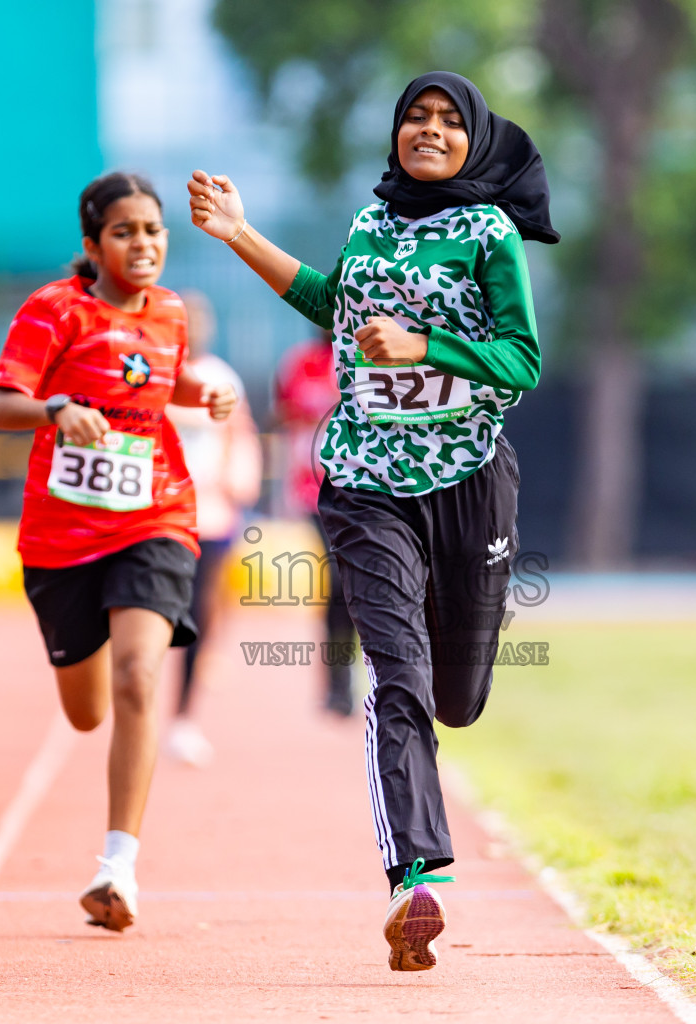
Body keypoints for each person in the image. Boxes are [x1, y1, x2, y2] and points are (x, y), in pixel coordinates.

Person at [188, 71, 556, 970]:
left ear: (473, 139)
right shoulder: (370, 223)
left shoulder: (487, 233)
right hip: (363, 479)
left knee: (456, 700)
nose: (426, 131)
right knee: (399, 675)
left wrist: (429, 345)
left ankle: (425, 820)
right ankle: (416, 882)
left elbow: (523, 361)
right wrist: (240, 236)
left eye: (445, 121)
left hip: (467, 479)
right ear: (394, 137)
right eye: (412, 119)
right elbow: (330, 302)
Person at [0, 171, 236, 933]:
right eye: (125, 232)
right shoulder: (53, 311)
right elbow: (0, 404)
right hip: (62, 537)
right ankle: (113, 849)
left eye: (154, 231)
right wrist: (56, 409)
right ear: (92, 246)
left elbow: (155, 381)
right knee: (87, 711)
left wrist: (202, 394)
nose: (144, 245)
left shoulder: (170, 313)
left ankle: (117, 866)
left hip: (155, 518)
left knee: (138, 674)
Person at [164, 290, 262, 766]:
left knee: (198, 614)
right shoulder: (152, 370)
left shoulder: (224, 378)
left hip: (212, 514)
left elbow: (238, 434)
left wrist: (240, 480)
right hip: (159, 513)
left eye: (200, 321)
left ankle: (183, 719)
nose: (194, 329)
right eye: (187, 320)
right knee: (158, 610)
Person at [274, 329, 358, 715]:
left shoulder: (371, 355)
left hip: (364, 485)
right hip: (314, 487)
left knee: (358, 582)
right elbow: (283, 412)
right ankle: (338, 682)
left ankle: (358, 676)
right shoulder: (300, 362)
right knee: (340, 580)